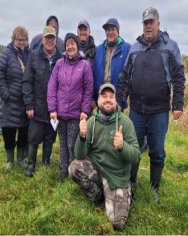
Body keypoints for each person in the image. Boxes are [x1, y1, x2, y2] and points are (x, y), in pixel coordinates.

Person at [116, 7, 186, 203]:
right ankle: (131, 183)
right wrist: (121, 101)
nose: (148, 26)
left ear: (158, 23)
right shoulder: (135, 48)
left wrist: (178, 104)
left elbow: (179, 77)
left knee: (157, 150)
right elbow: (124, 77)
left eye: (151, 22)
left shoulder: (170, 46)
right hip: (137, 110)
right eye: (145, 22)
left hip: (159, 111)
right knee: (133, 149)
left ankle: (154, 188)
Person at [69, 83, 140, 231]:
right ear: (98, 100)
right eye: (104, 96)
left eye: (111, 97)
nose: (108, 100)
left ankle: (124, 191)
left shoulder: (126, 123)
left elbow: (136, 157)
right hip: (97, 167)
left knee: (117, 223)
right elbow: (80, 155)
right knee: (74, 168)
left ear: (115, 101)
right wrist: (82, 137)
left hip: (116, 175)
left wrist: (122, 146)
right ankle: (98, 196)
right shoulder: (91, 122)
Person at [48, 33, 93, 181]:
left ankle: (74, 173)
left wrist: (85, 111)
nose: (70, 46)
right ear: (65, 47)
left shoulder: (84, 65)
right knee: (62, 145)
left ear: (77, 46)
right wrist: (52, 110)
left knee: (71, 145)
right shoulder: (59, 64)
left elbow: (88, 90)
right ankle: (63, 172)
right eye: (67, 44)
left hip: (75, 114)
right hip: (60, 113)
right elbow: (52, 87)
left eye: (73, 43)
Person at [22, 26, 62, 177]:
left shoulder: (61, 58)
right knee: (34, 137)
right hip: (37, 108)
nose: (50, 41)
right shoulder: (33, 56)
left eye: (52, 38)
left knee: (50, 138)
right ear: (42, 40)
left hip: (54, 110)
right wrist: (29, 105)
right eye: (47, 38)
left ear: (55, 39)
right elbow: (26, 82)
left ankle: (45, 163)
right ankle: (31, 164)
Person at [0, 26, 30, 170]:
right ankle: (9, 160)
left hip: (25, 102)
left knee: (23, 133)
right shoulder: (6, 54)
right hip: (9, 103)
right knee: (8, 133)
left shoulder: (30, 55)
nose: (21, 42)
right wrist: (6, 95)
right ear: (13, 40)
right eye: (19, 39)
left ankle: (20, 159)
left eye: (24, 39)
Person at [93, 18, 130, 105]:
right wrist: (93, 98)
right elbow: (93, 74)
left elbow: (129, 77)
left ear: (118, 31)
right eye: (107, 30)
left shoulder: (127, 48)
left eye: (113, 29)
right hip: (101, 97)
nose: (110, 32)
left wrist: (122, 100)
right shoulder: (98, 50)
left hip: (117, 100)